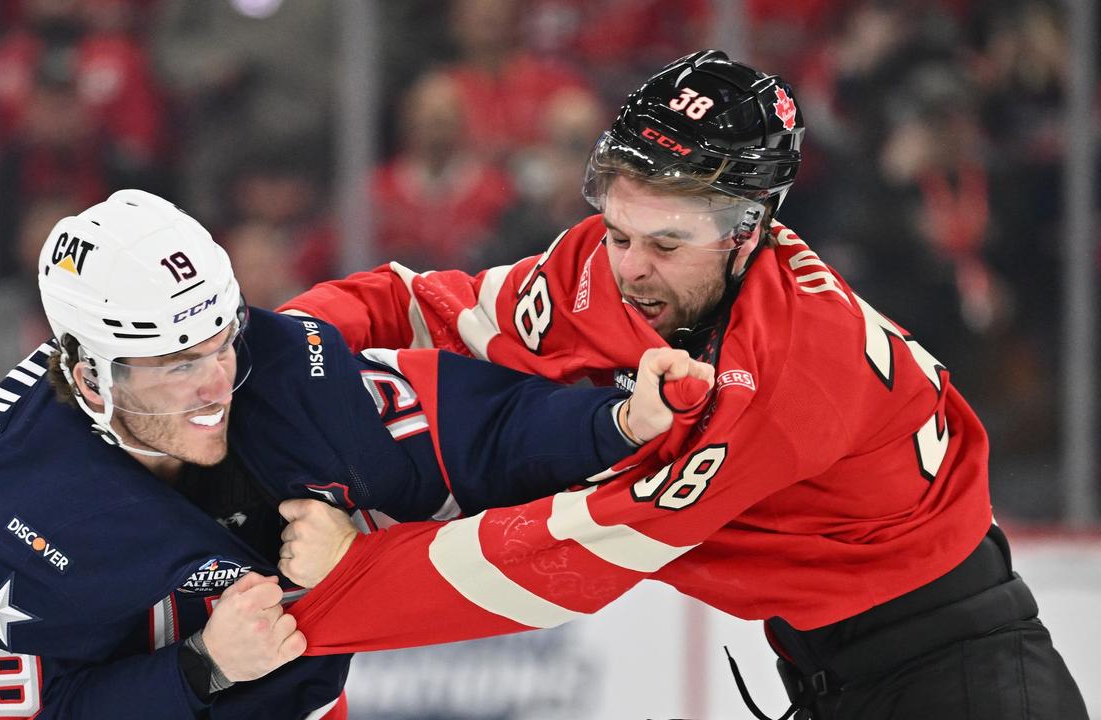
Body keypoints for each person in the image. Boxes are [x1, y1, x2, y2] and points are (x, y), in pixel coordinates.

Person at [275, 50, 1087, 719]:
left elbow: (572, 554)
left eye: (665, 242)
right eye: (619, 230)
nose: (628, 267)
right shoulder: (609, 260)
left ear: (750, 229)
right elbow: (429, 308)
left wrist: (347, 577)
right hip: (830, 666)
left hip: (963, 678)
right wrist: (263, 353)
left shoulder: (787, 368)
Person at [0, 189, 697, 719]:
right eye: (177, 365)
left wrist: (621, 417)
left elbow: (474, 434)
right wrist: (202, 666)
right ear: (89, 378)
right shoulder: (10, 502)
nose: (215, 386)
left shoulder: (283, 370)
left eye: (219, 346)